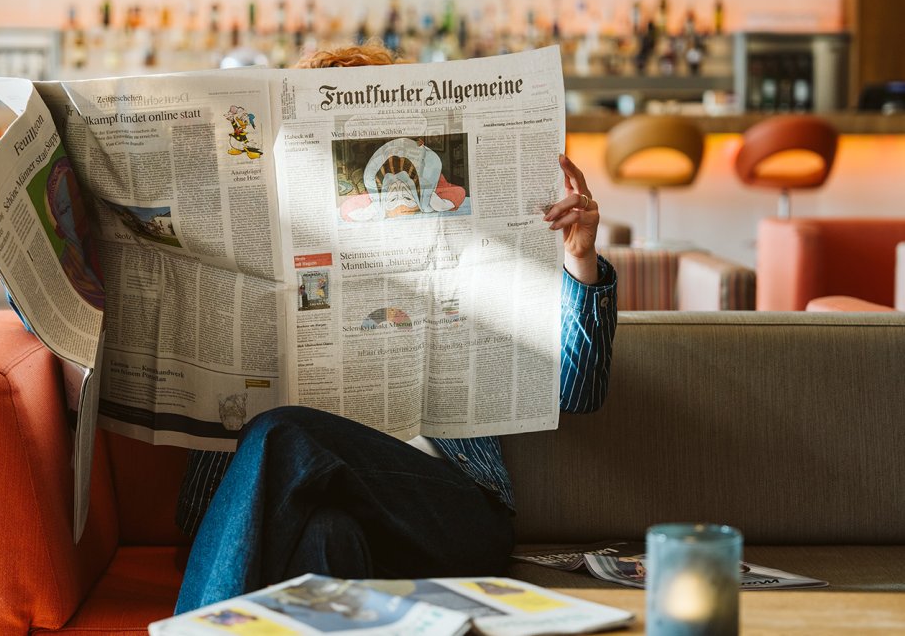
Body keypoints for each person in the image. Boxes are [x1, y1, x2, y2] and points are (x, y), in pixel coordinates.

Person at [174, 44, 617, 613]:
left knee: (284, 435)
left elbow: (579, 394)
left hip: (445, 514)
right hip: (315, 518)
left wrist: (580, 259)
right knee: (324, 538)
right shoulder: (265, 269)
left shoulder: (474, 261)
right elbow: (201, 504)